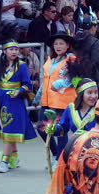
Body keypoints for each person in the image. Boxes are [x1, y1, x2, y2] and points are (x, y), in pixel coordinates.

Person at [0, 24, 37, 173]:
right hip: (0, 99)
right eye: (11, 49)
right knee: (6, 128)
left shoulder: (22, 65)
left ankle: (4, 161)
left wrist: (19, 91)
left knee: (11, 129)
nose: (14, 52)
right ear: (4, 51)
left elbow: (27, 85)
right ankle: (14, 156)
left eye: (16, 49)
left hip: (15, 101)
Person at [33, 31, 76, 164]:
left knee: (60, 131)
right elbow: (46, 79)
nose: (58, 46)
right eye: (56, 43)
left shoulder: (71, 59)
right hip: (46, 100)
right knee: (42, 128)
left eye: (61, 43)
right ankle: (55, 153)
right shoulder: (49, 60)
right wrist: (38, 96)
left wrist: (59, 84)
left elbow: (73, 79)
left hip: (61, 101)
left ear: (67, 45)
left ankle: (61, 159)